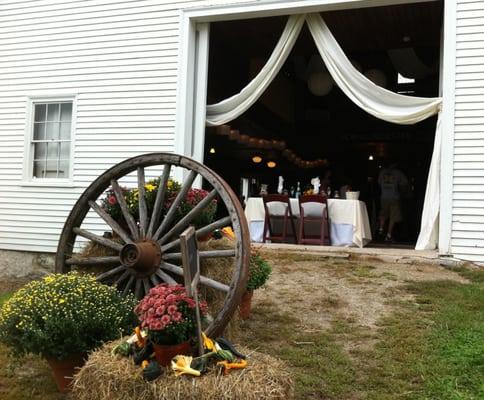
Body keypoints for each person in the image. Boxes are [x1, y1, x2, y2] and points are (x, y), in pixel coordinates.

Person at [378, 163, 408, 242]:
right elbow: (404, 183)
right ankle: (389, 234)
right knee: (393, 217)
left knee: (383, 214)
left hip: (384, 196)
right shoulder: (398, 173)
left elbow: (379, 183)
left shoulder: (382, 172)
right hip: (394, 197)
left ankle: (380, 229)